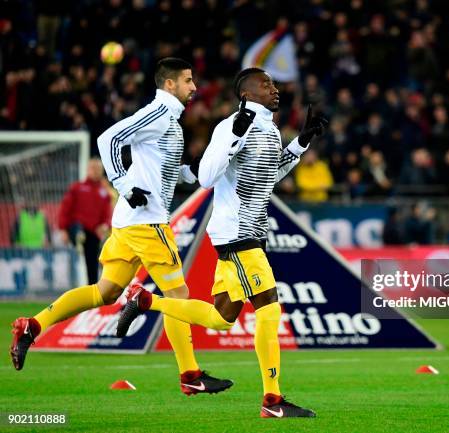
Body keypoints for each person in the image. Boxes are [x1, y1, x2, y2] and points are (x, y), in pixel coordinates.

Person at [10, 58, 233, 396]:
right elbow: (109, 139)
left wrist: (201, 173)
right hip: (148, 224)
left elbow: (165, 171)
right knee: (178, 297)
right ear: (170, 84)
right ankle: (190, 375)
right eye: (188, 81)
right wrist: (124, 185)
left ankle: (32, 325)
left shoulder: (170, 121)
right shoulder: (159, 114)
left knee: (105, 292)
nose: (194, 87)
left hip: (130, 224)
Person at [116, 67, 328, 418]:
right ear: (247, 93)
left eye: (274, 84)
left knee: (221, 317)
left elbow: (269, 175)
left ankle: (147, 301)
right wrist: (236, 134)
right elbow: (206, 177)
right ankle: (273, 401)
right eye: (266, 84)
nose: (274, 89)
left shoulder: (270, 129)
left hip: (249, 231)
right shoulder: (231, 125)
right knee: (269, 309)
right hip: (238, 232)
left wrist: (302, 140)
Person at [58, 157, 113, 284]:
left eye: (98, 169)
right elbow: (65, 209)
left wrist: (105, 225)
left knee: (92, 263)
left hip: (93, 232)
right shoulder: (77, 188)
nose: (96, 171)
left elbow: (107, 214)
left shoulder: (104, 192)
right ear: (87, 170)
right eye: (93, 168)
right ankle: (78, 237)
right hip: (76, 227)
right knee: (77, 227)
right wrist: (63, 230)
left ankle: (92, 292)